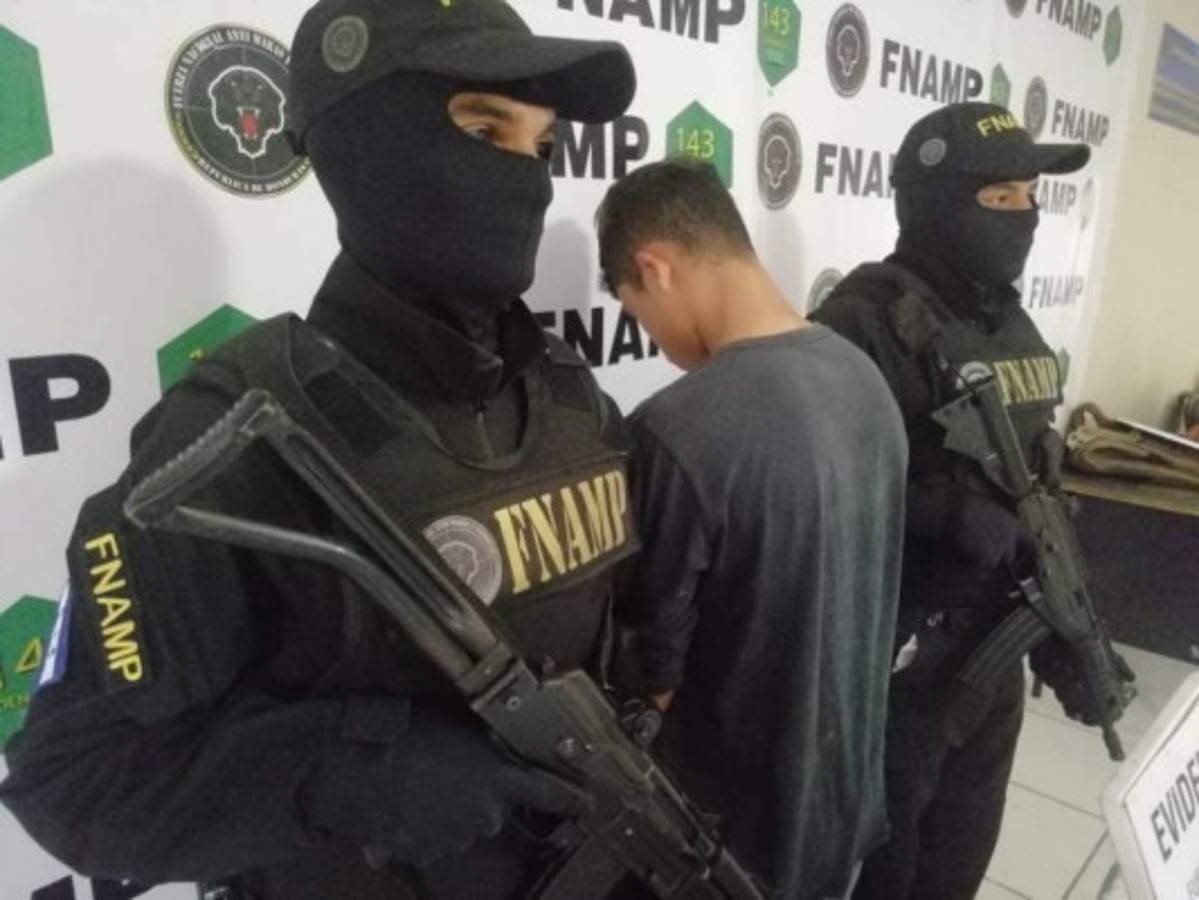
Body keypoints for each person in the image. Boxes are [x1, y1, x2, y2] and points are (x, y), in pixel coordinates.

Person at [0, 2, 640, 898]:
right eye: (482, 131)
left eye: (541, 146)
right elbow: (74, 780)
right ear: (367, 143)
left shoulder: (571, 396)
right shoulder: (243, 433)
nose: (526, 181)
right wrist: (347, 773)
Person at [595, 159, 908, 900]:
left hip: (728, 841)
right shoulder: (864, 378)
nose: (656, 343)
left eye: (638, 314)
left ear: (655, 269)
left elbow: (653, 676)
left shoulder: (679, 428)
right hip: (843, 810)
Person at [812, 101, 1092, 900]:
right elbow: (808, 494)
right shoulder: (860, 322)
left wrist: (1066, 623)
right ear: (933, 203)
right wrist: (936, 513)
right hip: (900, 660)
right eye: (999, 197)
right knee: (886, 867)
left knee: (959, 857)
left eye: (1030, 195)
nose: (1024, 215)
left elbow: (1038, 477)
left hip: (994, 645)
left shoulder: (1008, 322)